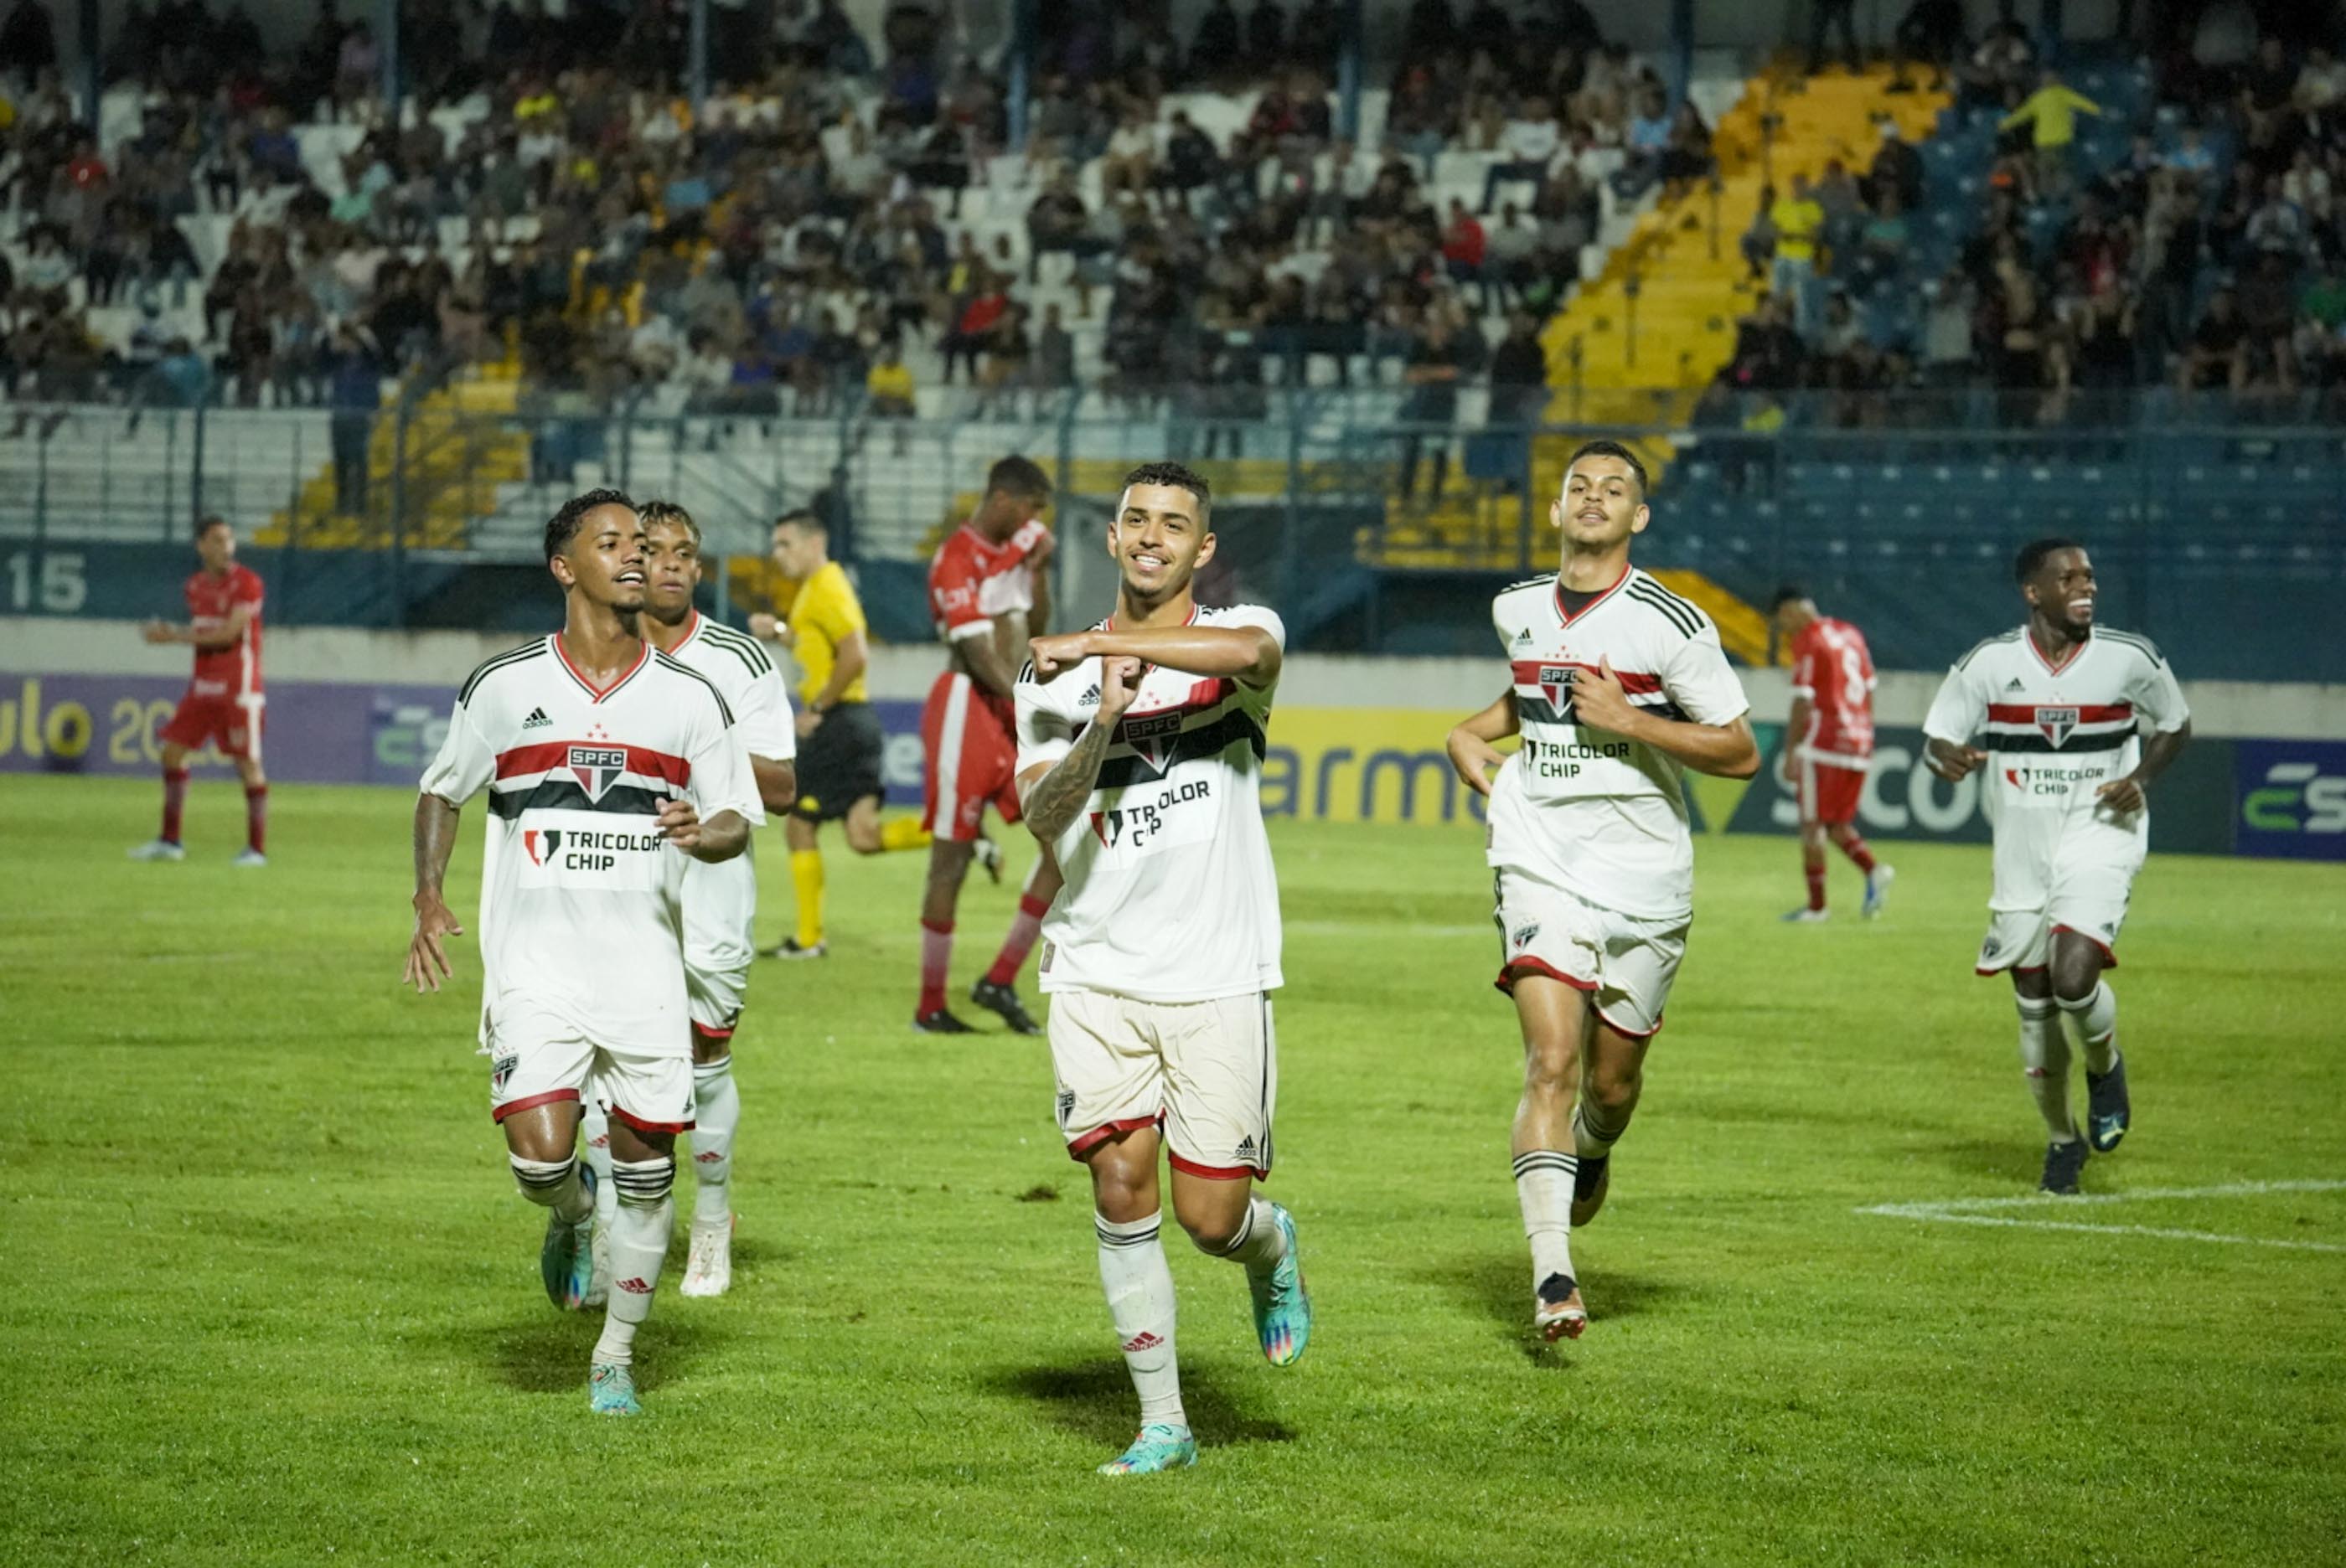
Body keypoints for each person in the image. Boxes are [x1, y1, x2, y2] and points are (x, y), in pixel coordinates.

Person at [402, 489, 762, 1417]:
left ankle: (614, 1358)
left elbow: (734, 817)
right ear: (567, 568)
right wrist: (428, 895)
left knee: (649, 1171)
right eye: (613, 545)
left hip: (645, 969)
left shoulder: (693, 696)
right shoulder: (506, 686)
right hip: (538, 966)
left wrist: (702, 829)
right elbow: (443, 792)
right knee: (538, 1159)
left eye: (641, 544)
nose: (637, 558)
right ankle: (570, 1210)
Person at [1014, 461, 1312, 1477]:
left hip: (1217, 970)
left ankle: (1270, 1250)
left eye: (1173, 524)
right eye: (1135, 520)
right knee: (1120, 1184)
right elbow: (1042, 821)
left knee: (1210, 1218)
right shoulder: (1049, 677)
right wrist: (1099, 713)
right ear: (1110, 537)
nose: (1151, 536)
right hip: (1094, 968)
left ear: (1203, 548)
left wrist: (1108, 644)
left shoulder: (1241, 638)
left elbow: (1245, 649)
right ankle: (1163, 1425)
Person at [1444, 441, 1760, 1341]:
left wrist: (1631, 720)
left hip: (1644, 874)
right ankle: (1551, 1278)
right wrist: (1470, 740)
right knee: (1549, 1060)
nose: (1593, 498)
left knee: (1610, 1090)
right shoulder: (1515, 608)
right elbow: (1521, 701)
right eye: (1579, 486)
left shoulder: (1672, 624)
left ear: (1638, 517)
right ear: (1555, 510)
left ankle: (1594, 1146)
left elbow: (1739, 752)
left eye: (1614, 489)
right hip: (1539, 854)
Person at [573, 501, 798, 1302]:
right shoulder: (594, 655)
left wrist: (702, 744)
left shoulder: (739, 661)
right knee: (604, 1057)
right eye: (651, 550)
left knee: (704, 1061)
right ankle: (604, 1235)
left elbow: (781, 784)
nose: (666, 564)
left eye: (683, 553)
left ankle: (711, 1224)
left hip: (712, 882)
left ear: (698, 570)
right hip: (619, 879)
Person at [1922, 539, 2192, 1195]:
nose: (2085, 587)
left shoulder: (2130, 656)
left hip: (2103, 830)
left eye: (2091, 576)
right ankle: (2062, 1141)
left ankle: (2106, 1069)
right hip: (2023, 851)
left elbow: (2176, 723)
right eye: (2068, 577)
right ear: (2033, 592)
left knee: (2074, 977)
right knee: (2034, 1007)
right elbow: (1938, 737)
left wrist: (2142, 778)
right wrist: (1945, 758)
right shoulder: (1989, 664)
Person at [917, 456, 1067, 1034]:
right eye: (1031, 506)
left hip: (1011, 712)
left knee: (1063, 839)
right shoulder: (955, 558)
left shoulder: (1025, 543)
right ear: (1004, 499)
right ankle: (931, 1005)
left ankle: (1000, 978)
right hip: (967, 708)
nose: (1035, 519)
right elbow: (979, 657)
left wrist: (1042, 573)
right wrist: (1036, 709)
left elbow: (1035, 629)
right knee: (950, 859)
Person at [749, 510, 934, 959]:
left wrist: (818, 706)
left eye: (785, 544)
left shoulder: (828, 585)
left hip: (841, 724)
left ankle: (810, 940)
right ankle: (952, 832)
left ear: (814, 543)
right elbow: (818, 645)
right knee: (862, 835)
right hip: (855, 724)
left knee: (798, 825)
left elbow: (855, 654)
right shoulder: (815, 590)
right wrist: (779, 632)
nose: (778, 555)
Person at [130, 516, 268, 867]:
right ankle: (170, 841)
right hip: (203, 687)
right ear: (201, 546)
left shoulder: (247, 583)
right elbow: (206, 634)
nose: (226, 548)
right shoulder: (195, 586)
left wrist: (173, 636)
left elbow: (228, 635)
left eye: (229, 540)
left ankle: (256, 850)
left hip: (238, 689)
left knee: (247, 765)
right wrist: (175, 634)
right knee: (172, 754)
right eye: (218, 541)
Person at [1770, 587, 1891, 921]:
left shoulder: (1809, 639)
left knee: (1812, 826)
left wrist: (1792, 749)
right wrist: (1865, 733)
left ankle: (1817, 907)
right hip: (1858, 739)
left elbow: (1803, 699)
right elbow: (1868, 690)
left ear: (1792, 610)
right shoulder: (1850, 633)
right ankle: (1874, 871)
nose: (1784, 629)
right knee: (1836, 823)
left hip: (1822, 742)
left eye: (1782, 620)